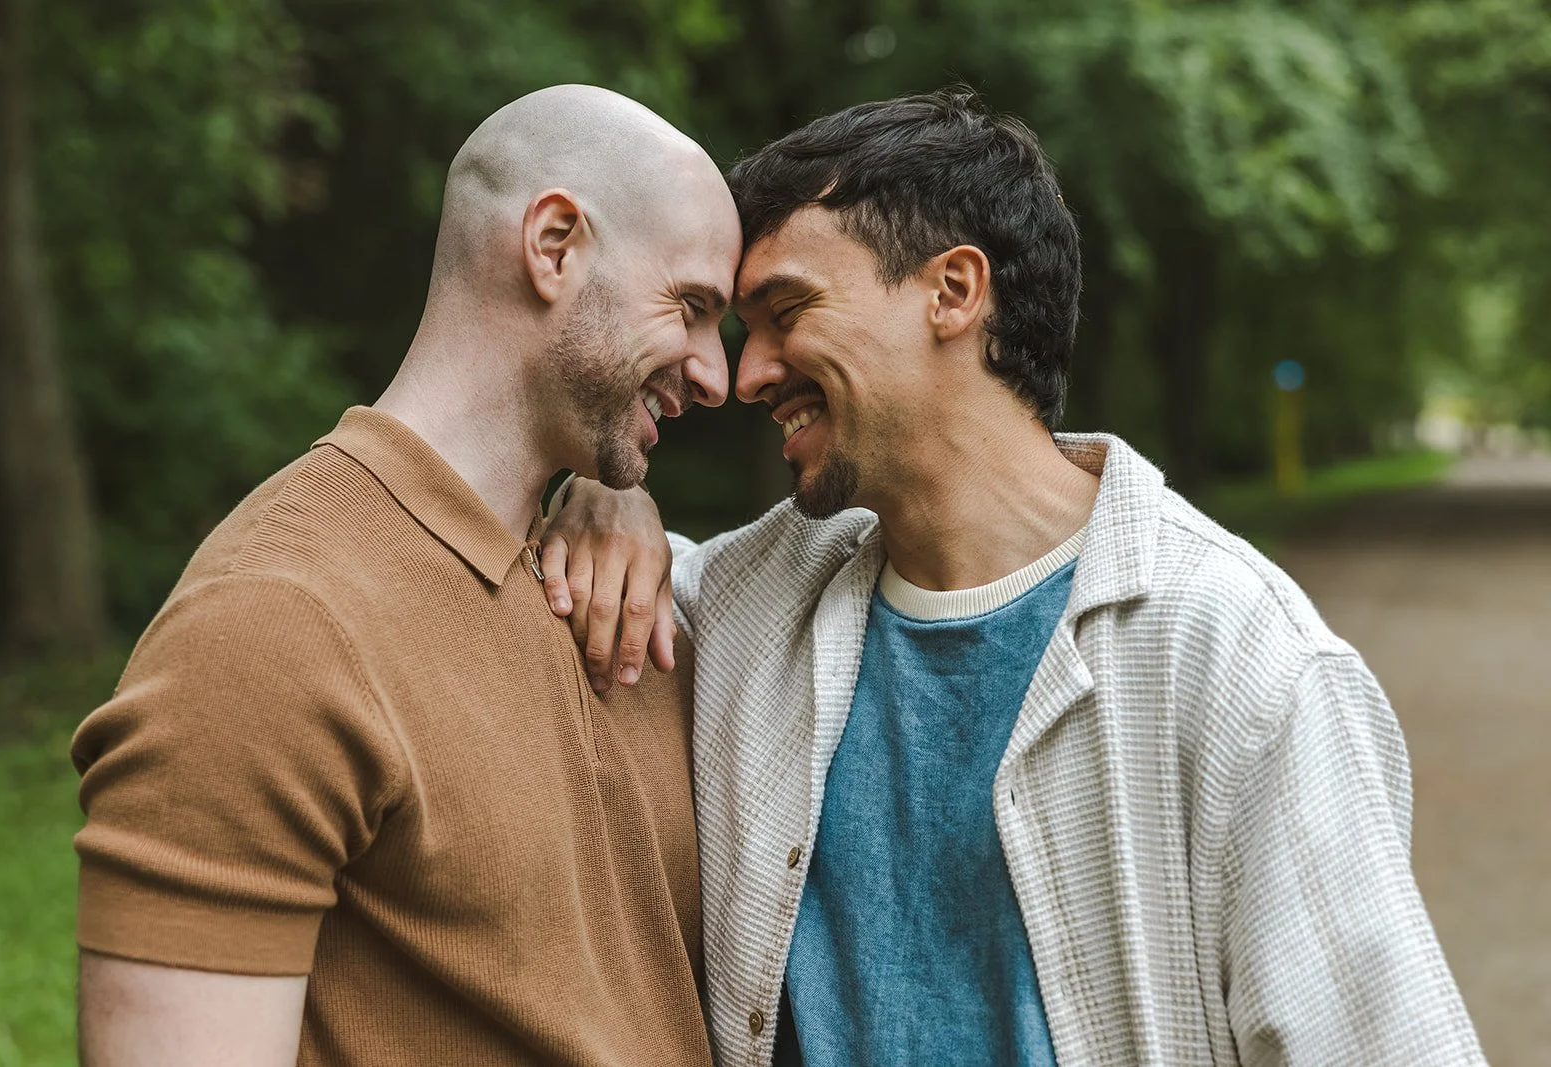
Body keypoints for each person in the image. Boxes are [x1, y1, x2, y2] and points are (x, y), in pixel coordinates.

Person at [540, 88, 1486, 1065]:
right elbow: (609, 587)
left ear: (954, 291)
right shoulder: (743, 604)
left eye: (787, 312)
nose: (748, 374)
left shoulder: (1240, 656)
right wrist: (606, 495)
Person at [69, 84, 739, 1067]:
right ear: (553, 245)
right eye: (691, 307)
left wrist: (614, 495)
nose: (717, 374)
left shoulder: (615, 588)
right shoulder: (270, 627)